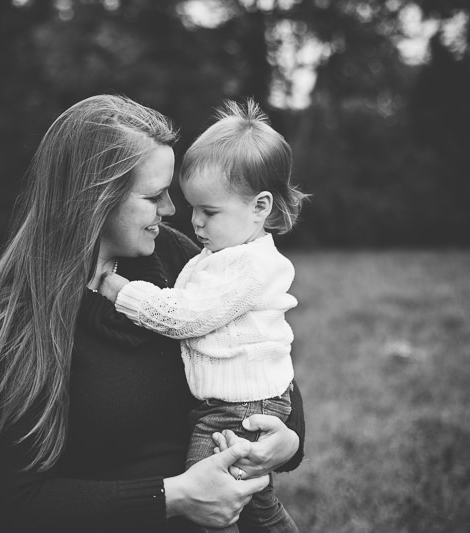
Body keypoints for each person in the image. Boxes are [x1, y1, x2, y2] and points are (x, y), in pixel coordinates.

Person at [0, 94, 305, 533]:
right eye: (155, 195)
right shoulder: (10, 319)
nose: (173, 211)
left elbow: (261, 363)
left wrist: (285, 443)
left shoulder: (179, 257)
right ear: (95, 199)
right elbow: (10, 506)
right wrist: (174, 497)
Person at [98, 99, 306, 532]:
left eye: (208, 212)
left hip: (238, 409)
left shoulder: (247, 265)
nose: (189, 221)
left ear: (260, 207)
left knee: (211, 500)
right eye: (165, 199)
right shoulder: (219, 254)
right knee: (255, 502)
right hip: (227, 402)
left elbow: (186, 316)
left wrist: (120, 292)